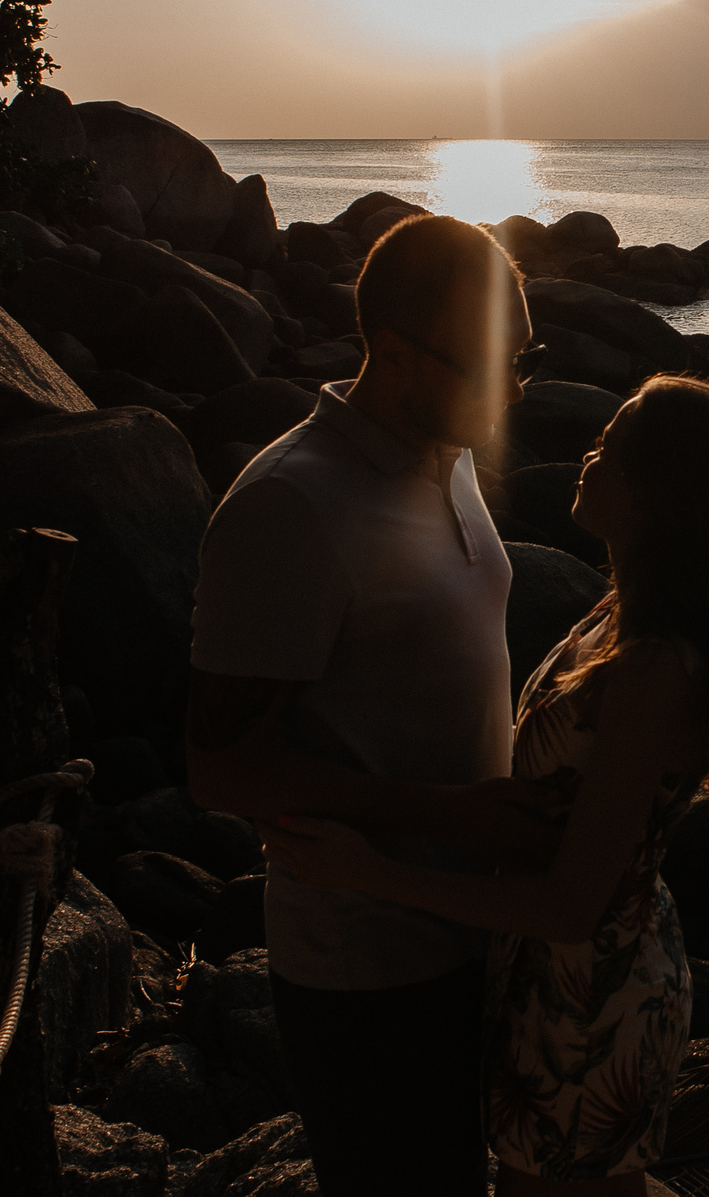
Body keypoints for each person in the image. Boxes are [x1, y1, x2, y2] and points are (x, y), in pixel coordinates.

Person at [262, 376, 709, 1196]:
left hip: (593, 996)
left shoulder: (653, 671)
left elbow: (572, 902)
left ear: (655, 494)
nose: (586, 454)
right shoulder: (619, 612)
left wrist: (370, 872)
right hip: (559, 976)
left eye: (610, 445)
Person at [185, 214, 559, 1197]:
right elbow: (221, 766)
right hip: (365, 971)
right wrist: (449, 815)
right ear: (390, 356)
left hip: (477, 928)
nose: (515, 390)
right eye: (490, 365)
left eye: (525, 356)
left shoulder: (450, 451)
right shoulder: (291, 509)